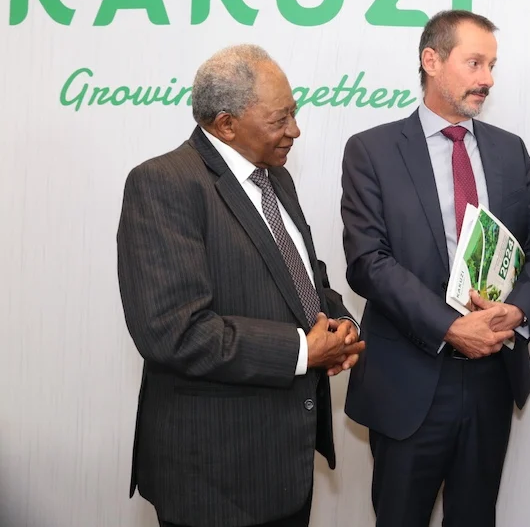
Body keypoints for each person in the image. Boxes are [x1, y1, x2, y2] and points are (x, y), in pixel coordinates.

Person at [117, 44, 365, 527]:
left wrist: (340, 325)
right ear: (226, 124)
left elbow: (304, 277)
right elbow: (173, 331)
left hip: (286, 465)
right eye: (280, 119)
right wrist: (303, 351)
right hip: (214, 479)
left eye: (294, 113)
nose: (295, 130)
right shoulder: (164, 183)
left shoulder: (276, 179)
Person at [340, 9, 530, 527]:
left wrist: (516, 311)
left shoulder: (509, 151)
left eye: (492, 66)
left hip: (490, 380)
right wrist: (450, 327)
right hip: (408, 379)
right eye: (474, 63)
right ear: (431, 60)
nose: (487, 79)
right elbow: (368, 261)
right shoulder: (372, 151)